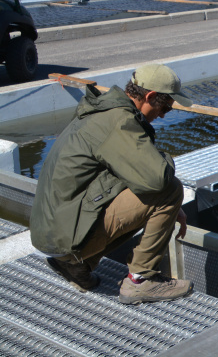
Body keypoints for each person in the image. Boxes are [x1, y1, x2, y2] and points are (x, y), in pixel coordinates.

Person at [30, 63, 195, 305]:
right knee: (170, 189)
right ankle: (140, 281)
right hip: (65, 236)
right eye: (166, 108)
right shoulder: (119, 122)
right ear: (149, 96)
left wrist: (172, 211)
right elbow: (158, 179)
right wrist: (168, 185)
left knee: (150, 184)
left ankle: (76, 265)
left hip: (52, 232)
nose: (162, 115)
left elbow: (125, 173)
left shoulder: (105, 111)